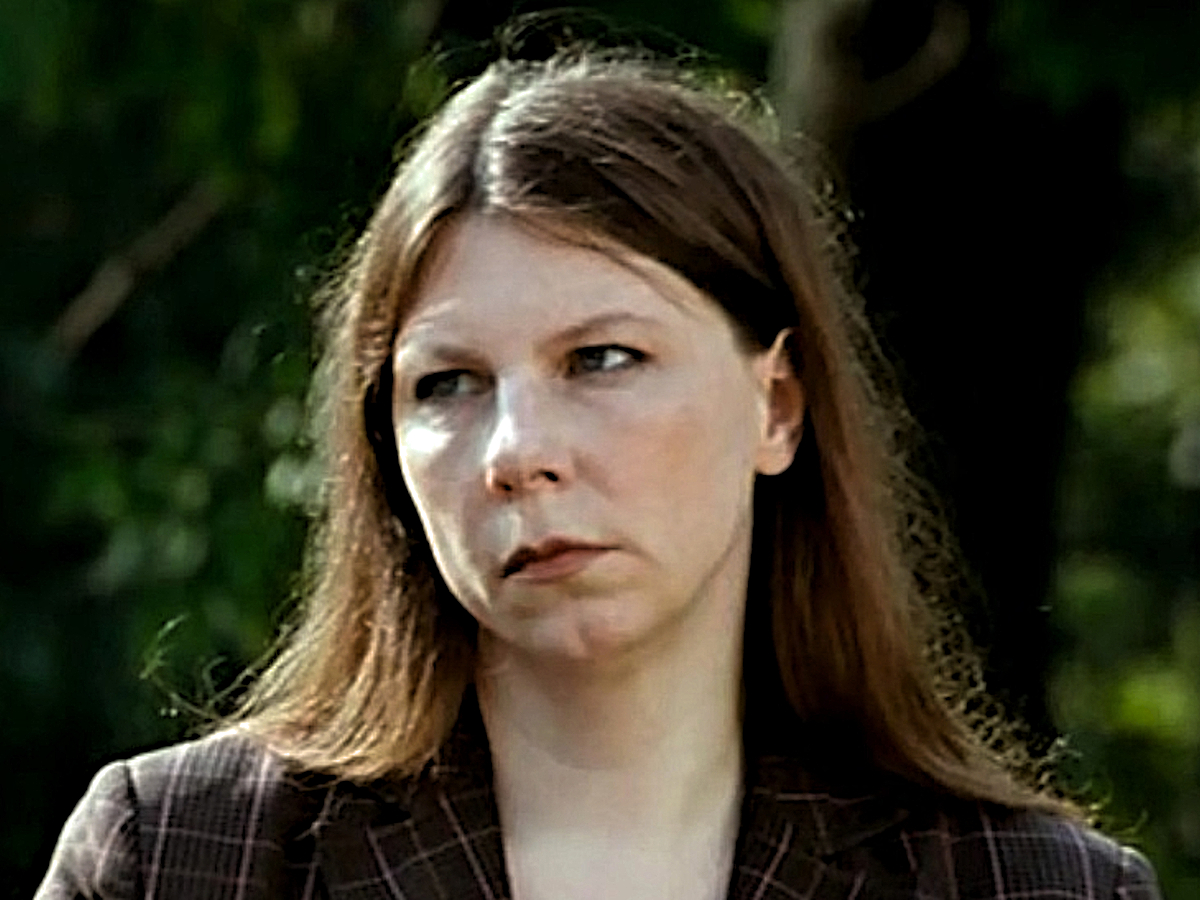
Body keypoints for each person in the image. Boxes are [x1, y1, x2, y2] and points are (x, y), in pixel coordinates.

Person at [37, 49, 1161, 900]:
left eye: (602, 359)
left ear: (777, 404)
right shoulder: (184, 857)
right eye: (448, 384)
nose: (518, 451)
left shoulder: (1028, 886)